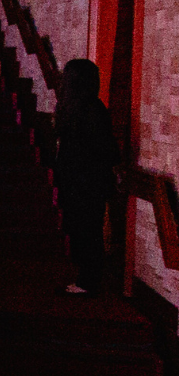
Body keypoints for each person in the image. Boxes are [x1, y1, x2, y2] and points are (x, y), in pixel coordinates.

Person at [53, 58, 121, 296]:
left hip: (71, 178)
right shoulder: (93, 108)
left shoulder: (66, 107)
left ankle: (86, 279)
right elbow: (105, 148)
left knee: (80, 229)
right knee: (90, 230)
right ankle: (88, 280)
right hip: (90, 179)